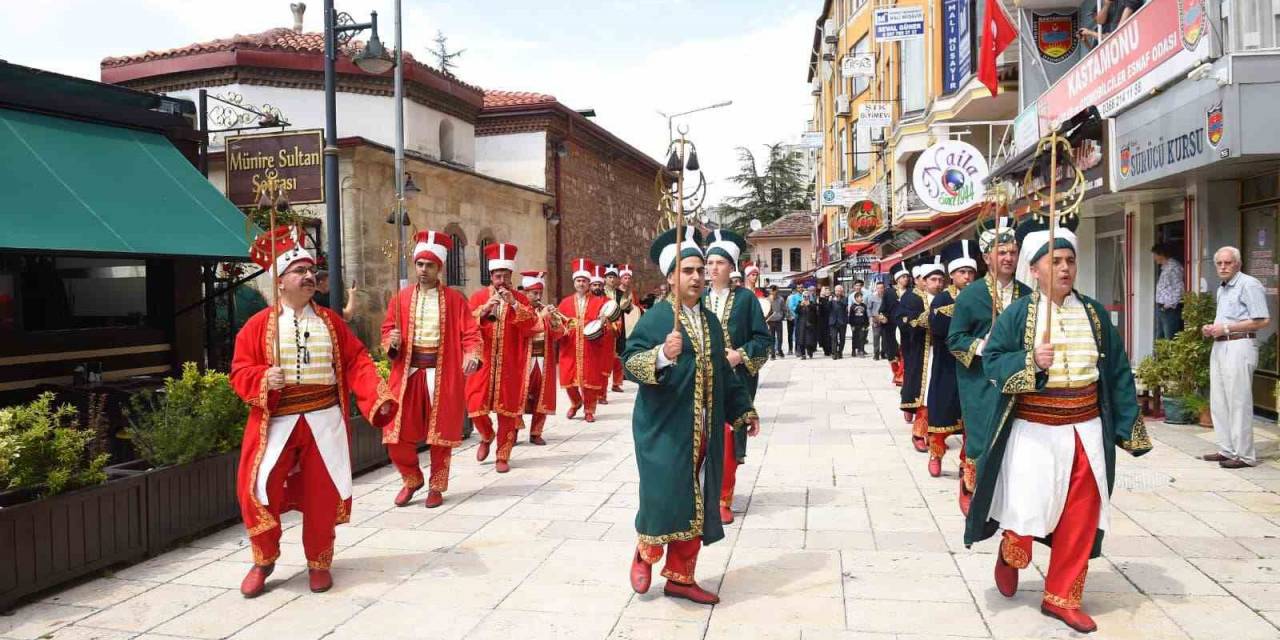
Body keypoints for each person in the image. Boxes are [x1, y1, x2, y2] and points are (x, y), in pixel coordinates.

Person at [966, 215, 1150, 634]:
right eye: (1056, 261)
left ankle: (1062, 596)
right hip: (1034, 429)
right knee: (1029, 507)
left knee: (1082, 514)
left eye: (1070, 260)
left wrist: (1128, 426)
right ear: (1035, 269)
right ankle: (1012, 551)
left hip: (1085, 428)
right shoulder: (1017, 315)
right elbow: (993, 363)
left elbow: (1117, 371)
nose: (1065, 268)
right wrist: (1030, 362)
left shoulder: (1096, 314)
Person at [231, 227, 397, 597]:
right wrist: (261, 378)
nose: (309, 276)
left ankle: (319, 562)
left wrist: (377, 397)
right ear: (280, 282)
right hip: (275, 423)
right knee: (262, 490)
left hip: (323, 420)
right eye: (299, 271)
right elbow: (239, 372)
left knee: (322, 494)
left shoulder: (331, 322)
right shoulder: (258, 327)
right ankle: (263, 558)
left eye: (311, 271)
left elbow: (356, 361)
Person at [625, 226, 758, 605]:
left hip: (706, 428)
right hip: (663, 429)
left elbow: (723, 372)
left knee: (699, 496)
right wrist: (662, 355)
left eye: (701, 270)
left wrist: (742, 409)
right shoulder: (656, 319)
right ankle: (646, 552)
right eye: (688, 270)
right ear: (670, 278)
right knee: (663, 494)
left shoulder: (712, 323)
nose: (697, 277)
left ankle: (682, 576)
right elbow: (629, 365)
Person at [381, 231, 484, 510]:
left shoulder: (454, 300)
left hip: (442, 374)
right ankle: (412, 478)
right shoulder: (400, 299)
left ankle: (437, 486)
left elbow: (470, 334)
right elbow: (388, 328)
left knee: (441, 436)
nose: (423, 270)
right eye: (419, 264)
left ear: (439, 267)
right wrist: (391, 340)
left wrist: (472, 354)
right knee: (394, 432)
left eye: (429, 265)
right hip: (408, 374)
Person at [947, 216, 1031, 515]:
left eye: (1012, 252)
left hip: (1018, 376)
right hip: (980, 379)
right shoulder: (971, 295)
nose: (1008, 258)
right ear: (986, 257)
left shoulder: (1028, 295)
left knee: (1016, 437)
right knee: (982, 435)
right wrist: (984, 346)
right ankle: (971, 484)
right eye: (1001, 253)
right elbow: (955, 339)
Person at [702, 229, 771, 524]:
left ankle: (723, 498)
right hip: (700, 380)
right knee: (701, 437)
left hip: (735, 380)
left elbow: (762, 339)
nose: (713, 268)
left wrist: (739, 355)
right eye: (710, 262)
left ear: (732, 267)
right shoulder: (697, 298)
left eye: (720, 262)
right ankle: (701, 494)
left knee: (729, 437)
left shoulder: (746, 300)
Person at [466, 243, 539, 474]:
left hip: (511, 362)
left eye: (506, 276)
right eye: (498, 276)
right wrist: (484, 310)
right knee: (475, 406)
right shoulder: (478, 297)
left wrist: (513, 304)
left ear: (511, 276)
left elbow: (532, 325)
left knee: (507, 411)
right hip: (483, 362)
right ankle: (486, 435)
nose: (501, 280)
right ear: (490, 276)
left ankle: (503, 454)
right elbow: (466, 326)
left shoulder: (520, 299)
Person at [1202, 246, 1270, 469]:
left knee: (1238, 400)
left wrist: (1227, 328)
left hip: (1240, 344)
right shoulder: (1223, 288)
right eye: (1219, 263)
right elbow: (1226, 321)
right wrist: (1213, 329)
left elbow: (1262, 320)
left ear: (1238, 264)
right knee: (1219, 399)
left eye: (1227, 263)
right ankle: (1227, 449)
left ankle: (1245, 455)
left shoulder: (1248, 284)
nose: (1223, 267)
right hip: (1221, 345)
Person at [925, 240, 979, 478]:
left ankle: (966, 462)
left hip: (973, 366)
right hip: (946, 366)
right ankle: (936, 454)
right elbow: (939, 330)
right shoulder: (941, 300)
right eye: (962, 272)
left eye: (970, 272)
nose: (966, 277)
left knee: (971, 419)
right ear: (952, 275)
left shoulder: (981, 297)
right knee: (942, 415)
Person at [893, 257, 938, 452]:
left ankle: (938, 434)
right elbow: (903, 321)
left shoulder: (946, 297)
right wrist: (921, 321)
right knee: (924, 391)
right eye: (929, 278)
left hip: (944, 353)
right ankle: (920, 431)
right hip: (919, 351)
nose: (935, 283)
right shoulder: (911, 298)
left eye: (939, 279)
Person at [558, 258, 609, 422]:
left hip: (590, 346)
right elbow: (559, 323)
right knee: (567, 379)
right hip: (569, 347)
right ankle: (576, 402)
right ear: (574, 282)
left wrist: (601, 323)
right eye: (578, 280)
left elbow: (603, 324)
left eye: (584, 281)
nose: (581, 284)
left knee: (590, 380)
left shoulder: (598, 302)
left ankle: (589, 409)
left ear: (589, 282)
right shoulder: (565, 302)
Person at [520, 271, 566, 446]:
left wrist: (555, 321)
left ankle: (536, 432)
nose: (538, 297)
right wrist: (542, 316)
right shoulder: (521, 310)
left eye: (540, 293)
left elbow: (558, 335)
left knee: (542, 395)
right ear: (526, 293)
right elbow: (525, 330)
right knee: (520, 396)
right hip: (524, 360)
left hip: (543, 359)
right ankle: (514, 431)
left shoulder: (544, 310)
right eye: (534, 293)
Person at [883, 265, 912, 386]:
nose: (906, 279)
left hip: (907, 326)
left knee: (905, 351)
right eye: (903, 277)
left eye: (907, 277)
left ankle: (902, 375)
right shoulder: (889, 292)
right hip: (892, 326)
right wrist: (882, 316)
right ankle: (896, 373)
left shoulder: (911, 292)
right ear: (897, 278)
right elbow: (883, 308)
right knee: (892, 352)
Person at [1153, 242, 1185, 340]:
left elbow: (1179, 288)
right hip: (1161, 307)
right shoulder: (1165, 267)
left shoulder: (1174, 267)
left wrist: (1169, 305)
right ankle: (1161, 356)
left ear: (1161, 254)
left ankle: (1168, 356)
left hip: (1169, 309)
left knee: (1169, 337)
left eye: (1155, 255)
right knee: (1160, 337)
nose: (1154, 258)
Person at [795, 286, 820, 359]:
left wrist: (809, 305)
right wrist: (800, 305)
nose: (806, 297)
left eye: (807, 296)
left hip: (810, 324)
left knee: (810, 341)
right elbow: (796, 311)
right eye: (804, 296)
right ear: (802, 296)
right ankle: (803, 354)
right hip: (801, 324)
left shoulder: (812, 303)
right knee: (801, 340)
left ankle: (810, 352)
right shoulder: (800, 303)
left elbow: (815, 310)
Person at [828, 284, 849, 359]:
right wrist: (830, 301)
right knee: (834, 338)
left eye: (839, 290)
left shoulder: (845, 298)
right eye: (837, 290)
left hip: (842, 321)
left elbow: (844, 306)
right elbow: (828, 308)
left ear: (842, 291)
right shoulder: (831, 298)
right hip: (833, 321)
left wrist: (838, 301)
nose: (838, 292)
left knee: (842, 338)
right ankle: (834, 353)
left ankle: (840, 352)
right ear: (834, 290)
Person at [765, 285, 787, 358]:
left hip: (778, 321)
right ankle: (773, 353)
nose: (773, 292)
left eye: (775, 290)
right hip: (770, 321)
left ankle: (779, 350)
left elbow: (784, 309)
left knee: (780, 337)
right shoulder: (767, 300)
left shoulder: (781, 299)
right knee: (772, 338)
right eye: (772, 291)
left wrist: (782, 317)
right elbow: (765, 310)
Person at [868, 280, 885, 360]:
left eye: (881, 288)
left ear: (884, 288)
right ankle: (876, 353)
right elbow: (869, 308)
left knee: (885, 337)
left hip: (885, 320)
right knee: (876, 337)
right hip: (876, 319)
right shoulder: (872, 297)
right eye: (878, 288)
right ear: (876, 289)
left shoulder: (886, 297)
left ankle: (884, 353)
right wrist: (871, 317)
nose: (880, 290)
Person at [850, 291, 869, 357]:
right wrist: (852, 325)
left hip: (862, 325)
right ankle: (853, 350)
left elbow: (866, 316)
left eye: (862, 297)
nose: (861, 298)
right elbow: (851, 317)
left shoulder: (864, 306)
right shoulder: (853, 306)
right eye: (860, 297)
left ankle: (861, 351)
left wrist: (867, 324)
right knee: (855, 338)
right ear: (856, 298)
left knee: (862, 338)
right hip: (855, 325)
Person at [786, 287, 803, 355]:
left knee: (797, 334)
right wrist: (788, 316)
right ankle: (790, 349)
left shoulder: (800, 297)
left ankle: (797, 349)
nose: (794, 292)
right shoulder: (789, 297)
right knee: (790, 334)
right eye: (794, 291)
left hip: (796, 317)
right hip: (790, 318)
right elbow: (787, 307)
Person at [816, 285, 832, 356]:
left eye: (828, 290)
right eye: (825, 290)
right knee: (824, 335)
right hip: (822, 320)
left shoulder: (831, 298)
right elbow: (819, 310)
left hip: (830, 319)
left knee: (831, 335)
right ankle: (826, 350)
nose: (826, 292)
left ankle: (831, 349)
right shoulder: (820, 299)